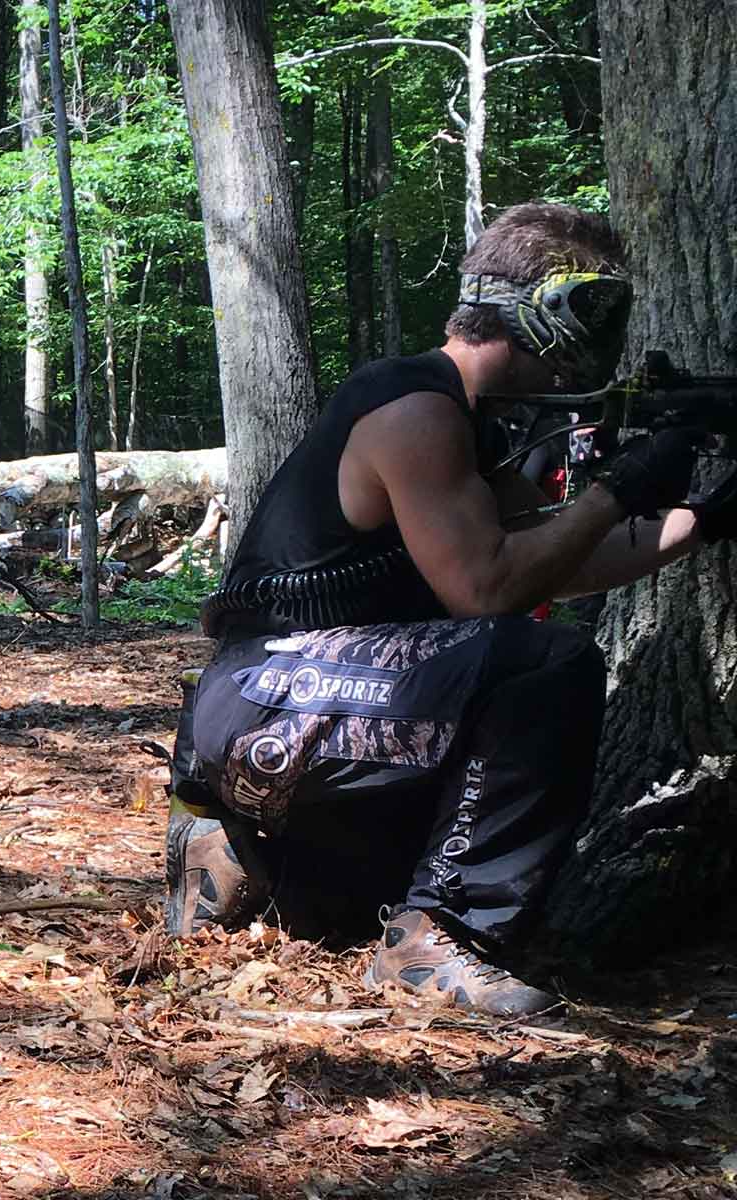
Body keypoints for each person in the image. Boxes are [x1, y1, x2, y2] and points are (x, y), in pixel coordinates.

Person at [164, 202, 736, 1016]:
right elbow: (487, 590)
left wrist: (702, 520)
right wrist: (618, 488)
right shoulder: (416, 408)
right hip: (268, 700)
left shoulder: (464, 424)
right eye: (597, 309)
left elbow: (555, 561)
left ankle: (237, 854)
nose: (602, 338)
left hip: (293, 711)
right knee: (545, 664)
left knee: (345, 912)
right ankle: (435, 940)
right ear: (542, 309)